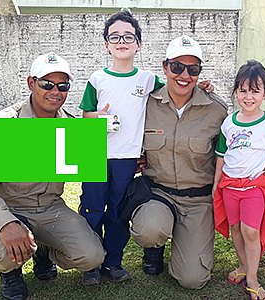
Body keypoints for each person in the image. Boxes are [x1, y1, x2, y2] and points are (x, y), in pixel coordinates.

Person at [0, 52, 105, 300]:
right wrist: (5, 222)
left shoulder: (71, 128)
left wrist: (137, 158)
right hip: (11, 207)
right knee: (6, 250)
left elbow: (100, 163)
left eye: (63, 86)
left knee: (92, 256)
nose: (55, 91)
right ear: (31, 83)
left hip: (51, 208)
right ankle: (10, 273)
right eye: (47, 84)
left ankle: (43, 251)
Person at [127, 35, 228, 289]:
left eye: (193, 69)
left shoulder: (217, 110)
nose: (185, 75)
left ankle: (182, 246)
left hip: (197, 201)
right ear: (165, 67)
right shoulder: (145, 104)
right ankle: (155, 247)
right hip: (158, 194)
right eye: (177, 67)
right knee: (150, 230)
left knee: (192, 279)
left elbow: (231, 152)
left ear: (199, 73)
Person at [78, 10, 166, 284]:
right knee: (92, 209)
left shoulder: (148, 80)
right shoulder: (97, 79)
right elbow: (85, 116)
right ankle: (90, 262)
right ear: (106, 44)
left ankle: (112, 261)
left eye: (128, 36)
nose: (121, 41)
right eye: (114, 36)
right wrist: (95, 118)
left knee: (118, 210)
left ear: (138, 43)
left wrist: (205, 85)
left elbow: (175, 91)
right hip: (95, 154)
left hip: (127, 158)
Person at [212, 60, 265, 300]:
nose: (248, 97)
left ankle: (253, 279)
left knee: (250, 231)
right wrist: (217, 183)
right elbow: (220, 157)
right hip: (229, 187)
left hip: (254, 188)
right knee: (236, 228)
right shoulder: (228, 123)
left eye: (255, 91)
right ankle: (244, 265)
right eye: (243, 90)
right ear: (236, 91)